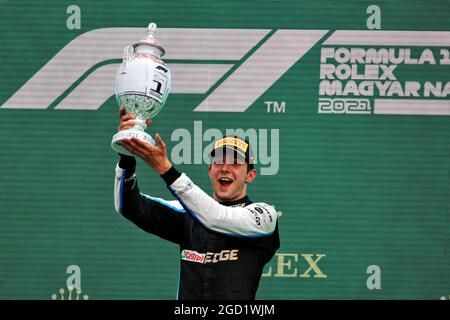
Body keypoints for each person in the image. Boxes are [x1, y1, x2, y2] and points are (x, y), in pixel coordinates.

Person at [114, 107, 280, 300]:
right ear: (210, 170)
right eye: (218, 162)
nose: (225, 168)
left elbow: (217, 218)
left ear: (250, 175)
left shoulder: (263, 216)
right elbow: (128, 206)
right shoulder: (187, 214)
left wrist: (166, 169)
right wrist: (126, 155)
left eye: (235, 163)